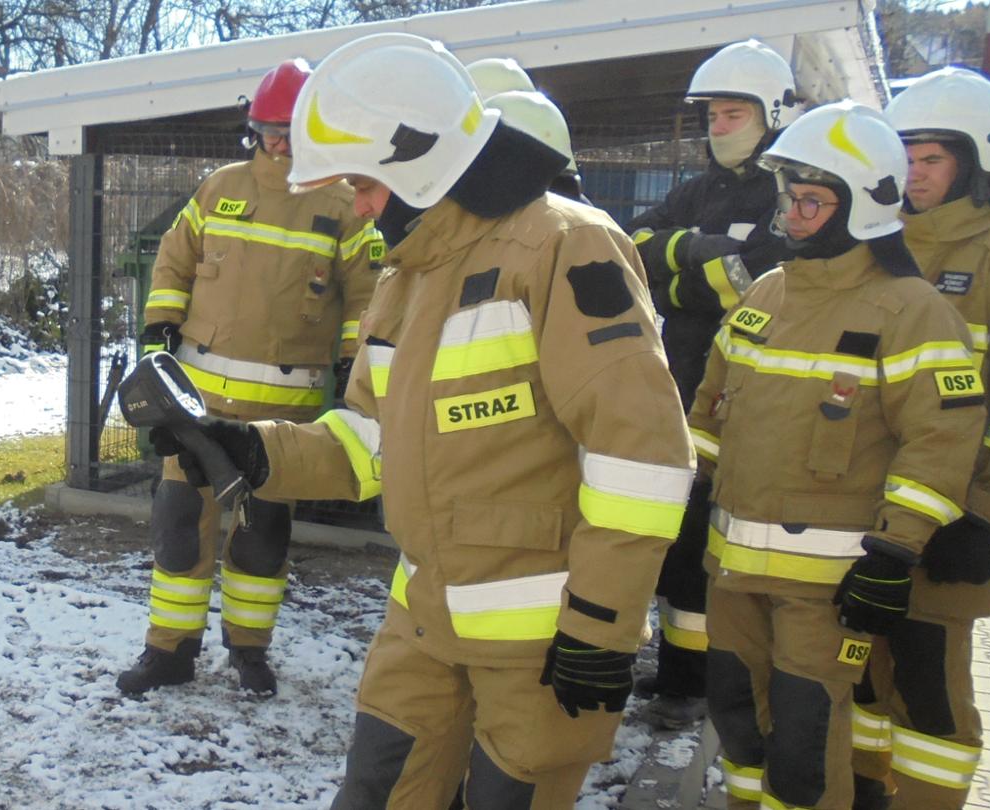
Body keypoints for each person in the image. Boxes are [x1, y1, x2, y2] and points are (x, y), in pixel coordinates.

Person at [165, 33, 694, 806]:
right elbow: (366, 441)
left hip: (541, 644)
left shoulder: (563, 246)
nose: (360, 204)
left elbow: (641, 457)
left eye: (364, 183)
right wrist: (247, 449)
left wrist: (601, 624)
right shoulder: (405, 277)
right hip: (421, 622)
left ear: (417, 161)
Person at [688, 100, 986, 809]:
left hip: (826, 589)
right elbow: (709, 409)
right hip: (733, 576)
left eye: (812, 201)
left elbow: (942, 438)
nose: (790, 215)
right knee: (739, 726)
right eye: (789, 197)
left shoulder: (913, 310)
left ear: (866, 207)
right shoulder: (766, 293)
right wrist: (691, 497)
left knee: (806, 745)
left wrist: (893, 554)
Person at [117, 58, 384, 698]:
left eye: (291, 130)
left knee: (263, 540)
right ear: (254, 128)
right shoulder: (218, 189)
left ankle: (249, 652)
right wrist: (158, 331)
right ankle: (170, 654)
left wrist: (353, 363)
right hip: (195, 402)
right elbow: (173, 266)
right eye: (270, 130)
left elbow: (368, 297)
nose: (280, 143)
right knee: (179, 529)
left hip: (281, 422)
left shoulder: (346, 205)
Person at [846, 67, 990, 809]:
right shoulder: (873, 246)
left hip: (952, 524)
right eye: (906, 157)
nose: (915, 174)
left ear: (977, 164)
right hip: (864, 517)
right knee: (860, 674)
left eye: (933, 159)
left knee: (927, 688)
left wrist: (987, 512)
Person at [626, 39, 800, 729]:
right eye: (713, 115)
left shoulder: (786, 197)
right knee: (675, 542)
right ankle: (677, 672)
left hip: (737, 402)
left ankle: (704, 680)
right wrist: (693, 253)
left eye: (732, 114)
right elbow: (629, 247)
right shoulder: (696, 192)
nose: (718, 127)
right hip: (674, 385)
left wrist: (683, 271)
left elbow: (754, 287)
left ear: (772, 114)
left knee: (708, 545)